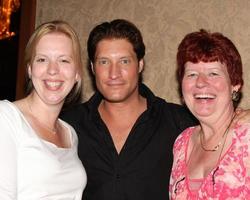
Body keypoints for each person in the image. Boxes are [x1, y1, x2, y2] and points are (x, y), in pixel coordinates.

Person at [61, 19, 249, 200]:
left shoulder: (178, 122)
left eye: (124, 61)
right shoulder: (66, 126)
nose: (114, 73)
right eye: (104, 62)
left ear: (140, 64)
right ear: (92, 67)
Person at [0, 20, 87, 199]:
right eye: (42, 59)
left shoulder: (70, 134)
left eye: (63, 60)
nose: (53, 70)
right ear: (30, 69)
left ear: (77, 73)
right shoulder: (7, 119)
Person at [169, 29, 250, 199]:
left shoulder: (247, 138)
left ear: (234, 84)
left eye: (213, 73)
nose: (200, 82)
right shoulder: (181, 143)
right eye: (191, 74)